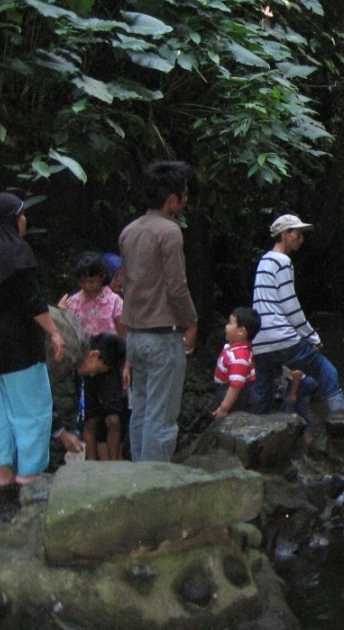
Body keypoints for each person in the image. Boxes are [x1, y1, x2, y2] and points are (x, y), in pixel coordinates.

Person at [0, 192, 66, 487]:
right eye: (21, 214)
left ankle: (2, 472)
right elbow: (32, 302)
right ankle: (28, 471)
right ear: (11, 220)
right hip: (18, 344)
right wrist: (54, 332)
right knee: (32, 407)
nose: (25, 220)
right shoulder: (17, 252)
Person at [119, 160, 198, 462]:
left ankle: (139, 475)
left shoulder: (129, 231)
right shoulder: (170, 232)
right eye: (184, 194)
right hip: (163, 336)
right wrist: (191, 321)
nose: (187, 199)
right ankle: (154, 483)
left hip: (135, 336)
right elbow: (177, 288)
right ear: (171, 200)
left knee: (140, 409)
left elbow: (128, 283)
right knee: (162, 417)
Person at [251, 214, 344, 439]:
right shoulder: (283, 261)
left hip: (260, 341)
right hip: (281, 336)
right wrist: (312, 336)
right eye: (298, 233)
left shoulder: (264, 260)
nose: (301, 239)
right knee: (326, 371)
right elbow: (289, 305)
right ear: (285, 234)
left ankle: (257, 443)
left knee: (263, 393)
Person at [58, 251, 126, 460]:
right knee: (90, 419)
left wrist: (126, 365)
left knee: (113, 419)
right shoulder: (74, 303)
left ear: (101, 277)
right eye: (83, 281)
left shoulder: (114, 301)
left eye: (92, 280)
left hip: (109, 362)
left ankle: (114, 465)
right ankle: (91, 465)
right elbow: (66, 333)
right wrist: (62, 312)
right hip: (84, 365)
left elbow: (124, 334)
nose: (88, 286)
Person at [46, 306, 126, 458]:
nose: (92, 374)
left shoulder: (76, 330)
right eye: (97, 369)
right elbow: (39, 393)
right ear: (94, 355)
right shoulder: (70, 353)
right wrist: (61, 433)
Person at [212, 306, 260, 419]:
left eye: (230, 323)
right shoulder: (234, 350)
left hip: (238, 399)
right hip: (228, 392)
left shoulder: (239, 356)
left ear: (241, 331)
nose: (226, 326)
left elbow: (236, 386)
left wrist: (224, 408)